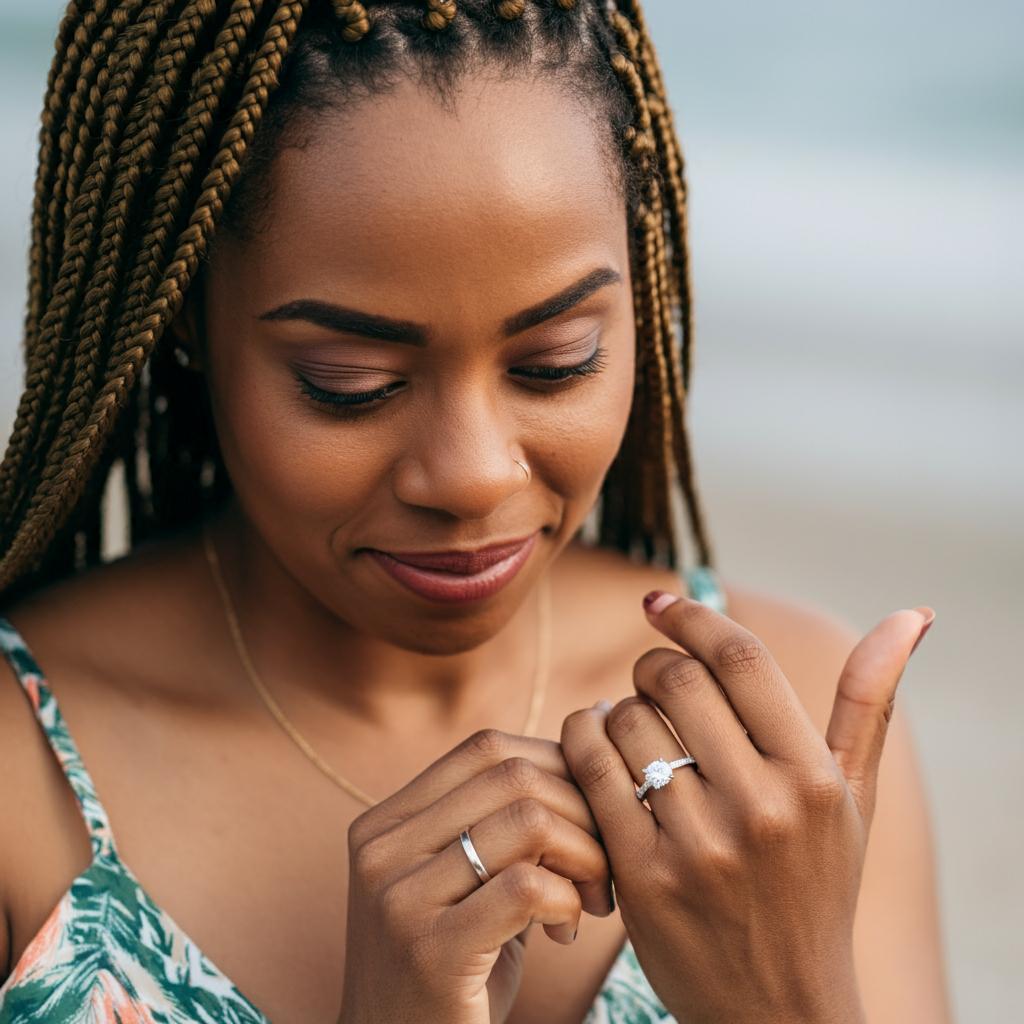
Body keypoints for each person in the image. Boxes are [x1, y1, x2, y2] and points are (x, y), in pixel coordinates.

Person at [0, 1, 952, 1021]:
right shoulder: (22, 780)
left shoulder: (786, 747)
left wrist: (787, 997)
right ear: (186, 315)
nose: (471, 475)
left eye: (555, 364)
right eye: (349, 379)